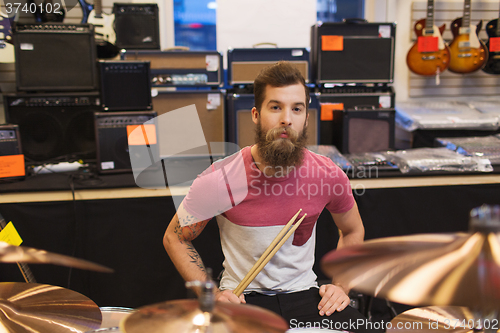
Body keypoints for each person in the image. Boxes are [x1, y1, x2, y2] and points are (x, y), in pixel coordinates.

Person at [164, 61, 374, 332]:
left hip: (305, 296)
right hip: (241, 299)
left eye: (296, 109)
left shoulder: (327, 175)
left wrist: (341, 285)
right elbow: (175, 237)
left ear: (306, 118)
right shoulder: (220, 178)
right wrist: (212, 295)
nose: (286, 118)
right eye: (275, 107)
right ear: (255, 114)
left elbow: (353, 230)